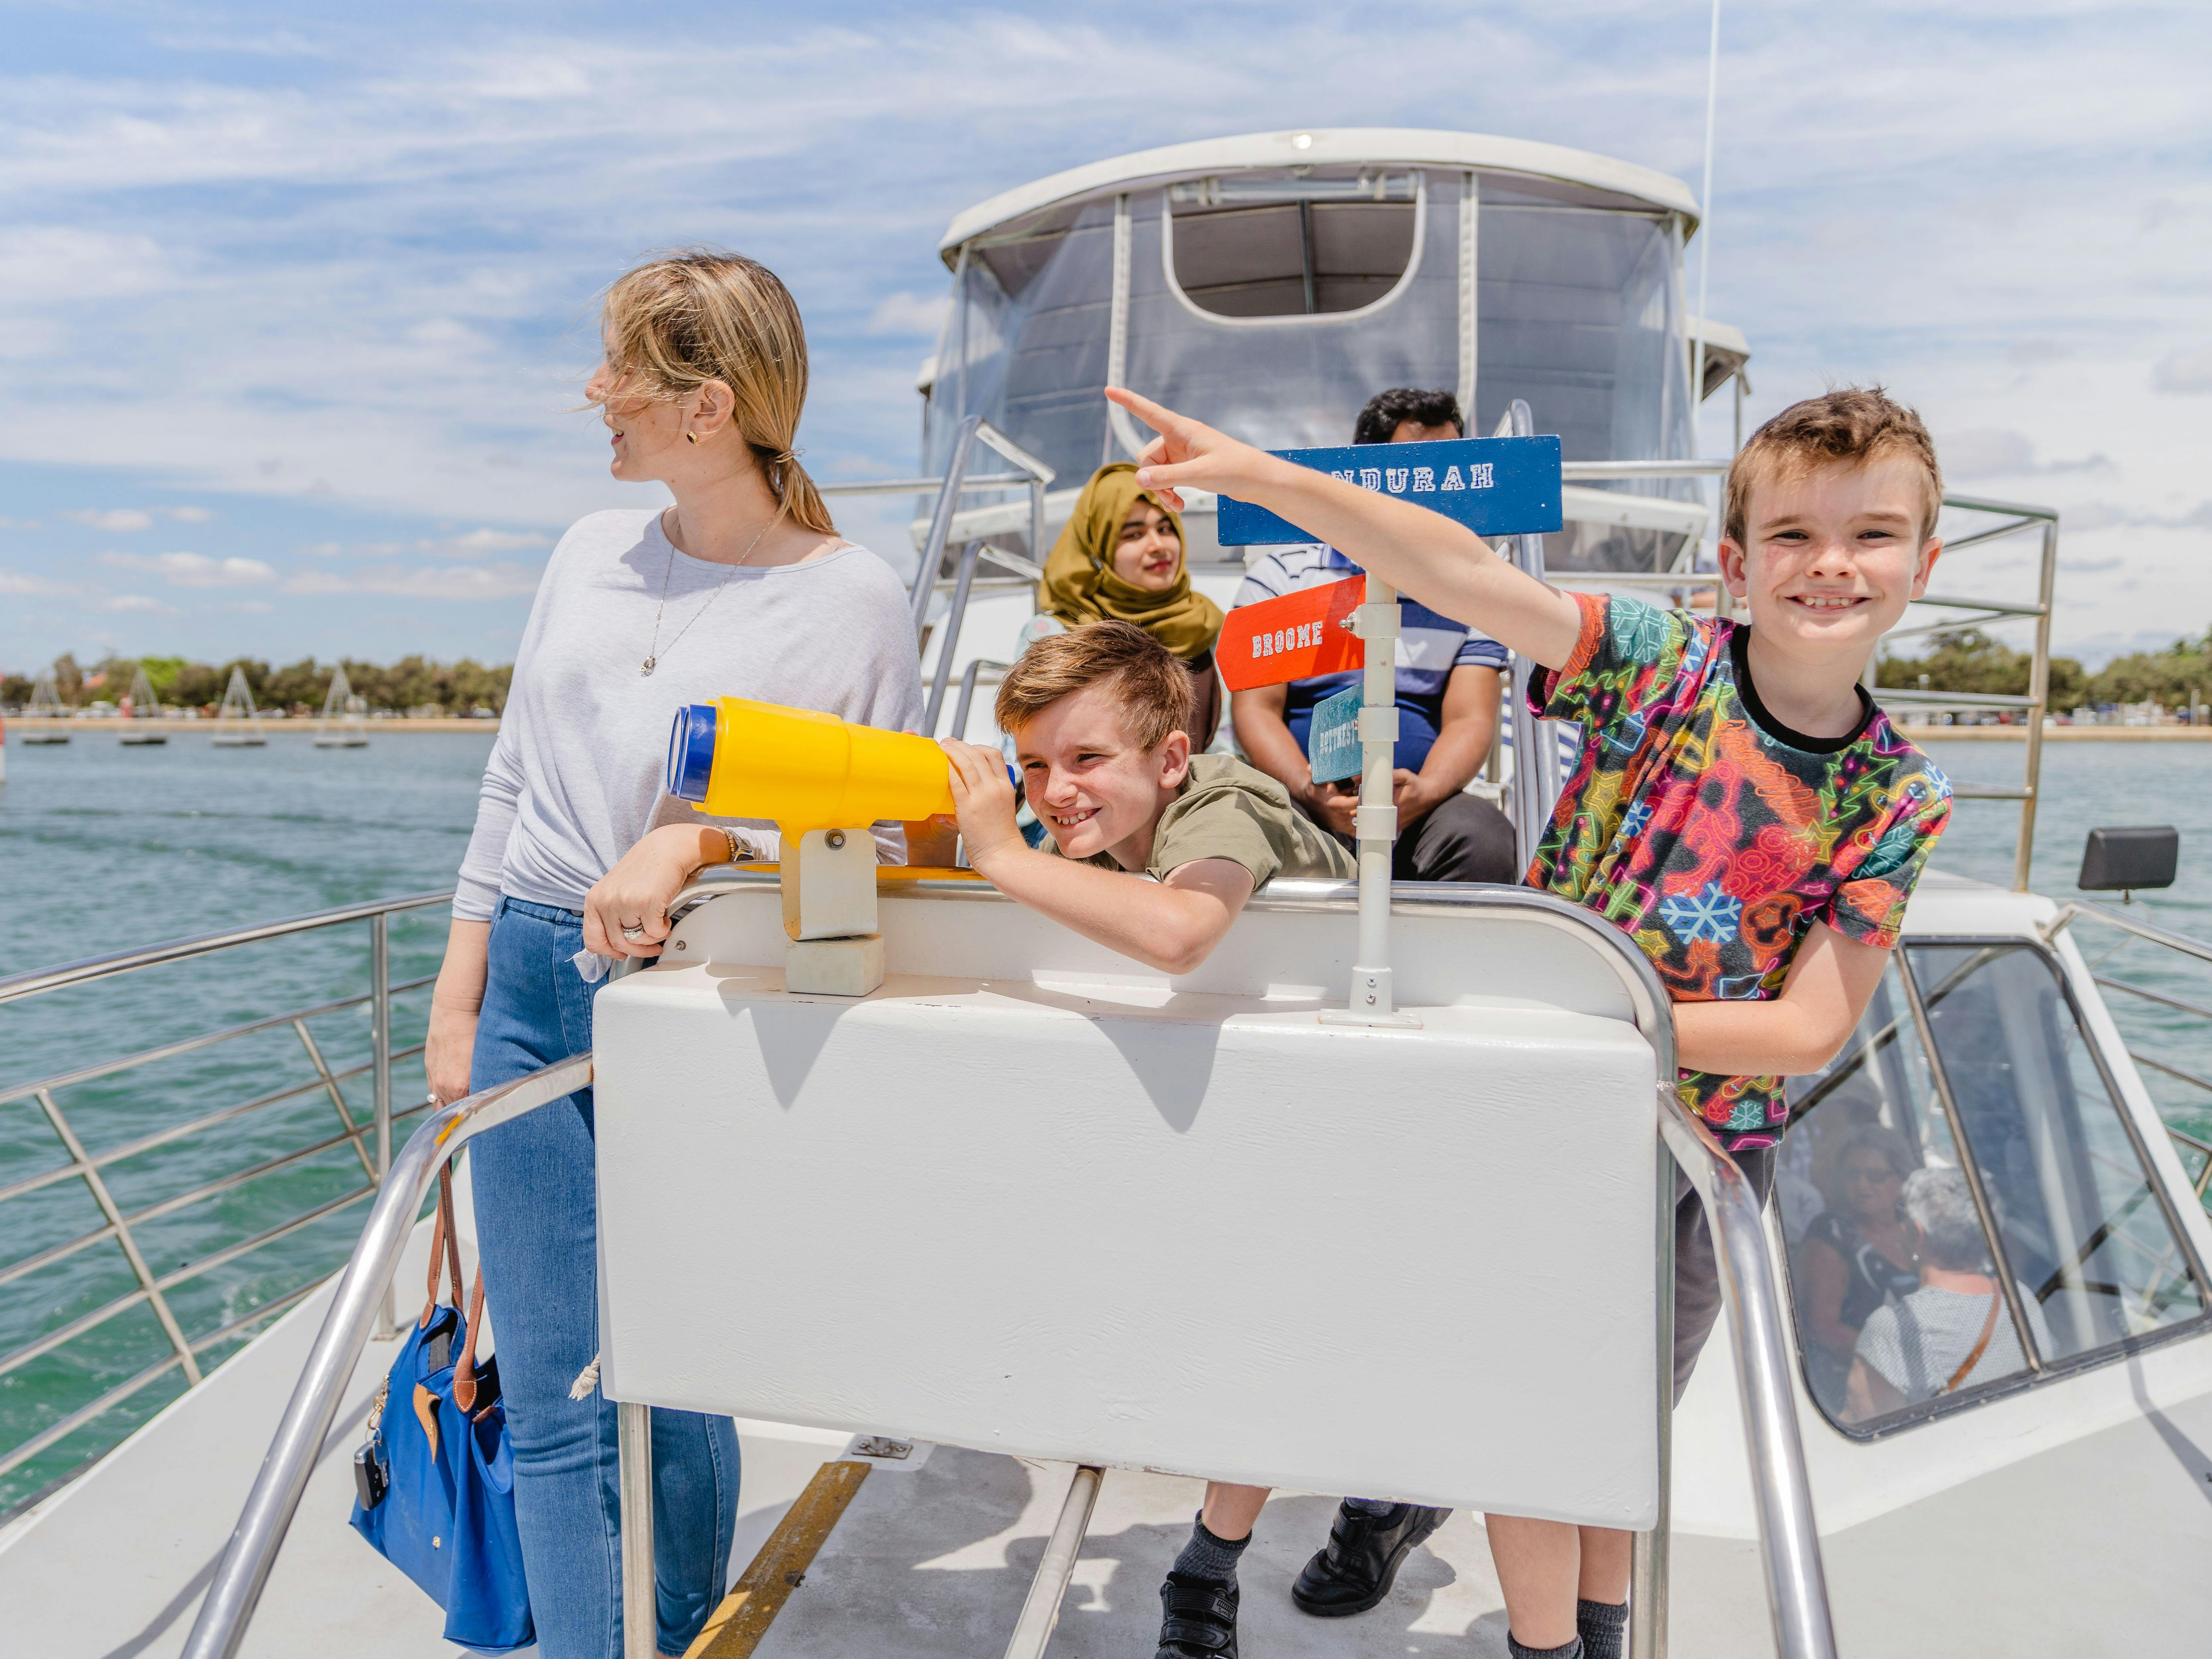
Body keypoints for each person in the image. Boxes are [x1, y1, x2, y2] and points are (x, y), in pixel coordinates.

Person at [1105, 380, 1955, 1659]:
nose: (1828, 565)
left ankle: (1596, 1634)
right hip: (1553, 1117)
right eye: (1790, 535)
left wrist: (1586, 1004)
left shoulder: (1898, 792)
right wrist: (1268, 478)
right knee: (1523, 1415)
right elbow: (1451, 566)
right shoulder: (1660, 665)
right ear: (1731, 561)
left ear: (1922, 562)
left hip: (1706, 1152)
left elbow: (1802, 1034)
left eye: (1870, 534)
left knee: (1613, 1429)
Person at [427, 250, 923, 1659]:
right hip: (531, 979)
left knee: (685, 1358)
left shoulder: (849, 599)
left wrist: (696, 843)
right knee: (558, 1387)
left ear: (704, 404)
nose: (594, 394)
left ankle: (691, 1629)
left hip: (710, 996)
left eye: (618, 371)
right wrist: (456, 993)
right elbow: (511, 779)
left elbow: (876, 848)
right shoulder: (587, 551)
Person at [937, 621, 1368, 1659]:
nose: (1052, 791)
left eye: (1086, 759)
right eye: (1032, 765)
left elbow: (1181, 933)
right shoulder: (1085, 838)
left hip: (1342, 1103)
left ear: (1170, 757)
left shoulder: (1222, 799)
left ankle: (1213, 1565)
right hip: (1238, 1101)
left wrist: (998, 850)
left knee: (1284, 1332)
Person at [1230, 388, 1516, 883]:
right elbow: (1257, 709)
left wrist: (1424, 792)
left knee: (1485, 842)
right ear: (1363, 474)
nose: (1437, 484)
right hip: (1301, 795)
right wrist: (1308, 789)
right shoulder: (1282, 578)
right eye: (1416, 466)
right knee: (1244, 829)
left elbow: (1471, 718)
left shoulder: (1472, 591)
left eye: (1450, 465)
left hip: (1422, 806)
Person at [1023, 462, 1227, 753]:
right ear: (1099, 548)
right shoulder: (1057, 635)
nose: (1158, 545)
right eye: (1134, 534)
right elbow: (1031, 753)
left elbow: (1228, 749)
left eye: (1166, 528)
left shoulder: (1207, 626)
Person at [1847, 1167, 2049, 1418]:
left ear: (1918, 1234)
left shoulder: (1894, 1327)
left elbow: (1865, 1424)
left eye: (1901, 1213)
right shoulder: (2022, 1298)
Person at [1794, 1123, 1921, 1406]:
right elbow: (1823, 1329)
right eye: (1853, 1175)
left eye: (1875, 1176)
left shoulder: (1917, 1227)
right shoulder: (1831, 1235)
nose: (1862, 1185)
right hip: (1860, 1389)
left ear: (1901, 1180)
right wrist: (1905, 1363)